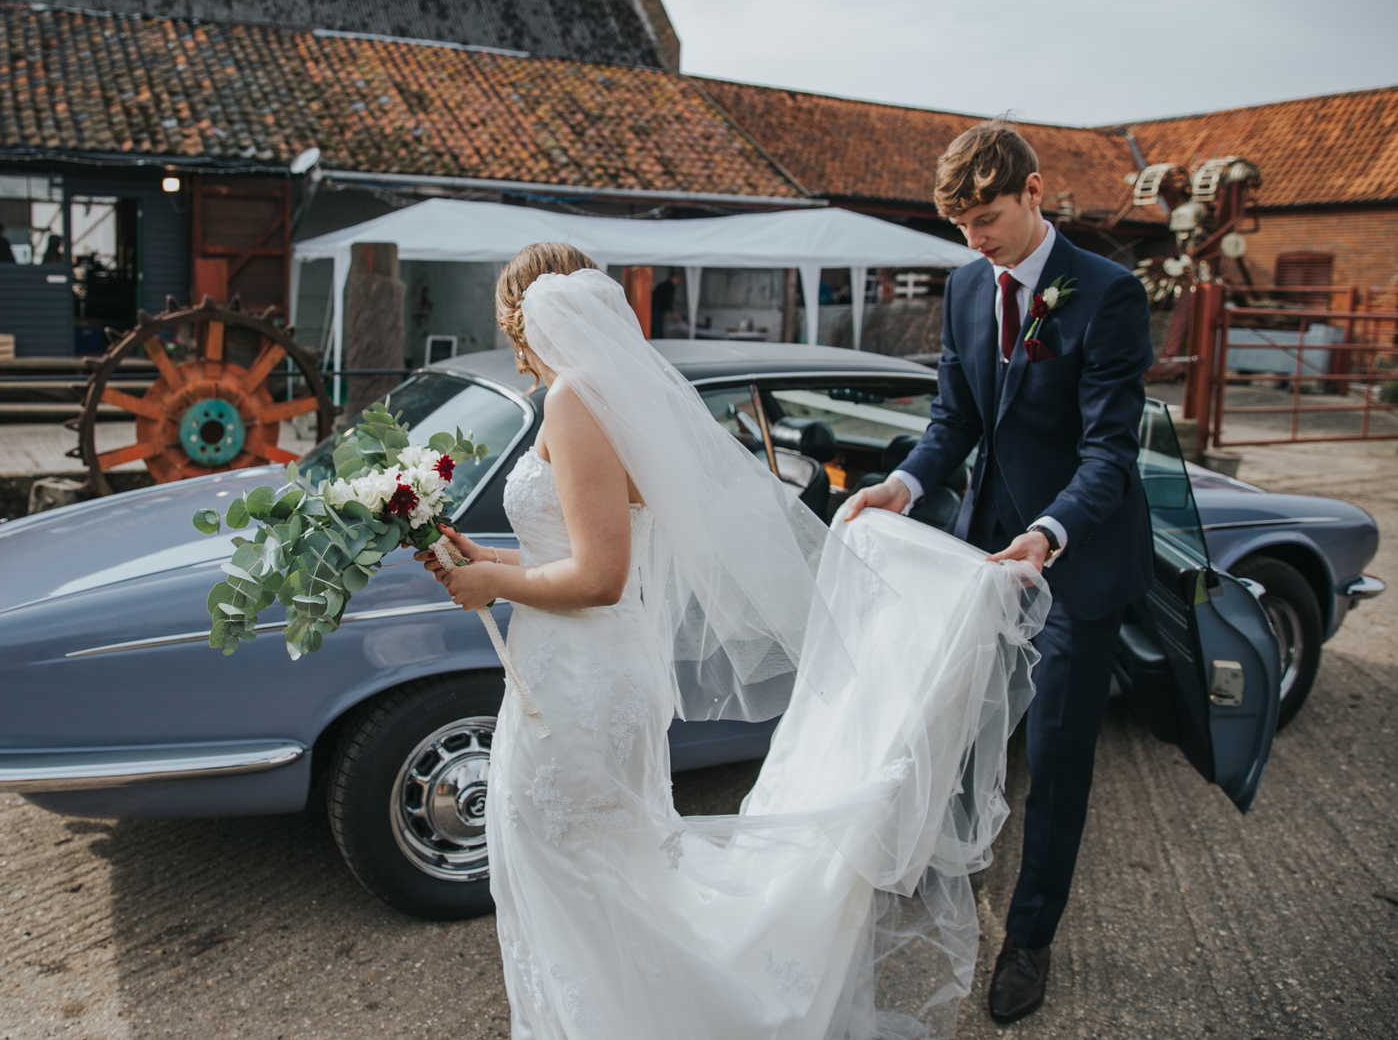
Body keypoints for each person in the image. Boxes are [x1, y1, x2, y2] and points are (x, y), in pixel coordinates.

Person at [416, 242, 1049, 1038]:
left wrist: (492, 586)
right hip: (584, 670)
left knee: (570, 871)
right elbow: (574, 552)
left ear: (518, 314)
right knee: (609, 876)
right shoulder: (607, 397)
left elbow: (601, 577)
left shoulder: (574, 400)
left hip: (579, 680)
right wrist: (491, 560)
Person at [843, 121, 1153, 1024]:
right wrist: (902, 484)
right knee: (960, 728)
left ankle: (1030, 936)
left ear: (1034, 192)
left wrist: (1052, 534)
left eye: (987, 218)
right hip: (982, 557)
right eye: (962, 226)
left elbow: (1108, 452)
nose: (976, 239)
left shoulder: (1109, 293)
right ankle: (945, 865)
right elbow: (955, 417)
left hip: (1077, 558)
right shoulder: (967, 289)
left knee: (1056, 756)